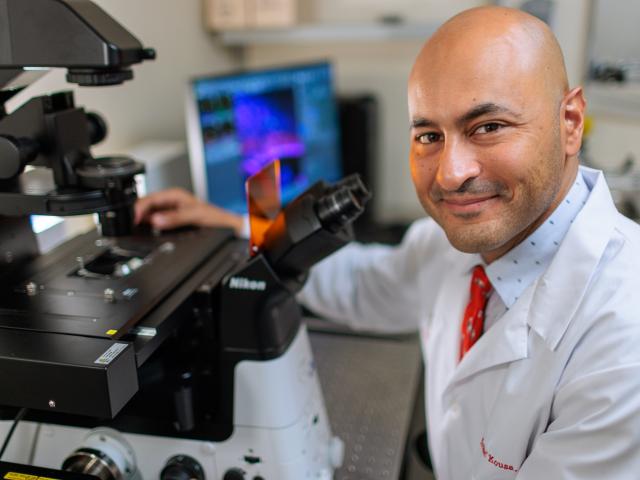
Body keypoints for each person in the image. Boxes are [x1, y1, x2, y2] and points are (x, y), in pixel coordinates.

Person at [135, 6, 640, 478]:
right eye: (428, 135)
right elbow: (358, 284)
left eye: (488, 126)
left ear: (569, 123)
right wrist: (234, 223)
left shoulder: (622, 343)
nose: (451, 174)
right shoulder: (450, 245)